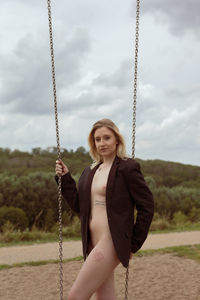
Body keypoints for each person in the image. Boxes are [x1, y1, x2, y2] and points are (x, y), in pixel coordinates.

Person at [55, 118, 154, 300]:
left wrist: (133, 244)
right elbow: (80, 207)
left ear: (117, 139)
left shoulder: (127, 168)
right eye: (97, 139)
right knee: (105, 297)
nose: (102, 143)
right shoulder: (90, 170)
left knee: (75, 296)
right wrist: (66, 178)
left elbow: (147, 207)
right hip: (92, 241)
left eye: (106, 138)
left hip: (111, 241)